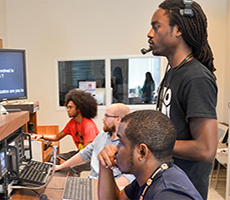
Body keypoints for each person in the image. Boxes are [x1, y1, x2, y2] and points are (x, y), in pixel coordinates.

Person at [146, 0, 218, 199]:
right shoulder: (173, 73)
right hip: (165, 182)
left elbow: (205, 149)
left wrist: (149, 143)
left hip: (182, 190)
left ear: (178, 29)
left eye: (156, 26)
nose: (149, 34)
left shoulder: (196, 78)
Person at [98, 110, 202, 200]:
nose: (115, 149)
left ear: (142, 152)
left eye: (121, 143)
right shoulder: (149, 177)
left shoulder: (168, 194)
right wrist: (105, 164)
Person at [56, 103, 135, 186]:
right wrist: (60, 167)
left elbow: (131, 176)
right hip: (91, 182)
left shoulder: (128, 144)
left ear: (118, 120)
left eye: (107, 116)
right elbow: (85, 153)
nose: (103, 119)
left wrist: (103, 188)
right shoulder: (103, 135)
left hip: (106, 189)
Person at [32, 89, 99, 174]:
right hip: (81, 153)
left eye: (70, 107)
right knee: (55, 159)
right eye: (67, 107)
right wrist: (41, 136)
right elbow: (57, 137)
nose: (67, 110)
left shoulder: (88, 126)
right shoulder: (72, 123)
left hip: (92, 158)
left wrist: (66, 164)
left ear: (79, 109)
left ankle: (73, 186)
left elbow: (86, 154)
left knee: (72, 168)